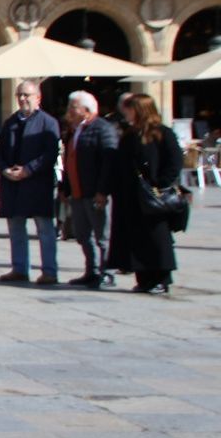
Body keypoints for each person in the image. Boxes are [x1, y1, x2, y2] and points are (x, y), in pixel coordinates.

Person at [108, 94, 184, 294]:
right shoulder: (130, 134)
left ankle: (161, 278)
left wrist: (160, 184)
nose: (126, 113)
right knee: (136, 237)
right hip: (131, 195)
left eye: (130, 109)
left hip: (153, 195)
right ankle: (143, 277)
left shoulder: (162, 133)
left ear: (140, 109)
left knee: (157, 237)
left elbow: (175, 162)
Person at [0, 79, 61, 285]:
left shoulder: (48, 123)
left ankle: (49, 271)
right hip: (12, 184)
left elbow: (50, 154)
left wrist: (28, 170)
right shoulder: (10, 122)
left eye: (27, 95)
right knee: (16, 227)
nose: (22, 99)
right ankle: (19, 269)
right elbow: (0, 152)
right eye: (20, 95)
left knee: (44, 228)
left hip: (37, 184)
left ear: (38, 98)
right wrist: (5, 170)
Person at [62, 90, 119, 288]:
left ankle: (107, 272)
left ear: (86, 109)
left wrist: (102, 190)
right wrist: (66, 187)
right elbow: (69, 159)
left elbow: (109, 162)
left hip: (95, 192)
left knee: (102, 235)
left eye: (73, 107)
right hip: (78, 192)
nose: (69, 111)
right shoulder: (75, 130)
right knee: (83, 235)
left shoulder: (102, 128)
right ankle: (91, 270)